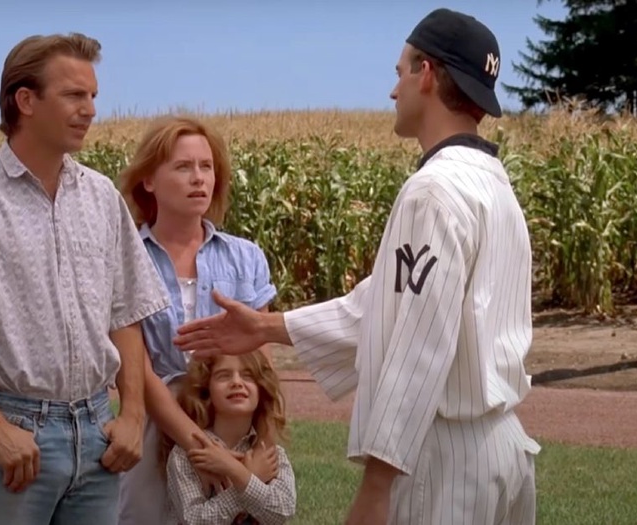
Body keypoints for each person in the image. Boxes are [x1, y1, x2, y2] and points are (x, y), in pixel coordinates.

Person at [173, 8, 541, 525]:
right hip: (502, 454)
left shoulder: (432, 191)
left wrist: (377, 482)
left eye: (400, 73)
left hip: (443, 465)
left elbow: (418, 343)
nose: (394, 91)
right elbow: (383, 307)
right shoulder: (492, 184)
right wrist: (264, 327)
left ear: (427, 74)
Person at [0, 32, 171, 525]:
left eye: (93, 97)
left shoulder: (102, 197)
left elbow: (125, 312)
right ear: (25, 100)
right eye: (74, 95)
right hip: (16, 435)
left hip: (97, 435)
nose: (89, 109)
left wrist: (133, 415)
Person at [115, 115, 281, 524]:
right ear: (149, 180)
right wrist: (200, 449)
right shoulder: (126, 257)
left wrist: (245, 452)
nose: (199, 179)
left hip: (234, 428)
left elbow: (261, 367)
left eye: (206, 167)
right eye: (183, 166)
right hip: (155, 428)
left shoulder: (245, 258)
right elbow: (140, 373)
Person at [165, 351, 297, 525]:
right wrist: (250, 479)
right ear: (207, 391)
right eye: (223, 376)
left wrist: (236, 472)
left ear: (261, 390)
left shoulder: (271, 455)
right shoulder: (187, 455)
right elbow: (194, 520)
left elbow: (283, 511)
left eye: (248, 376)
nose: (236, 382)